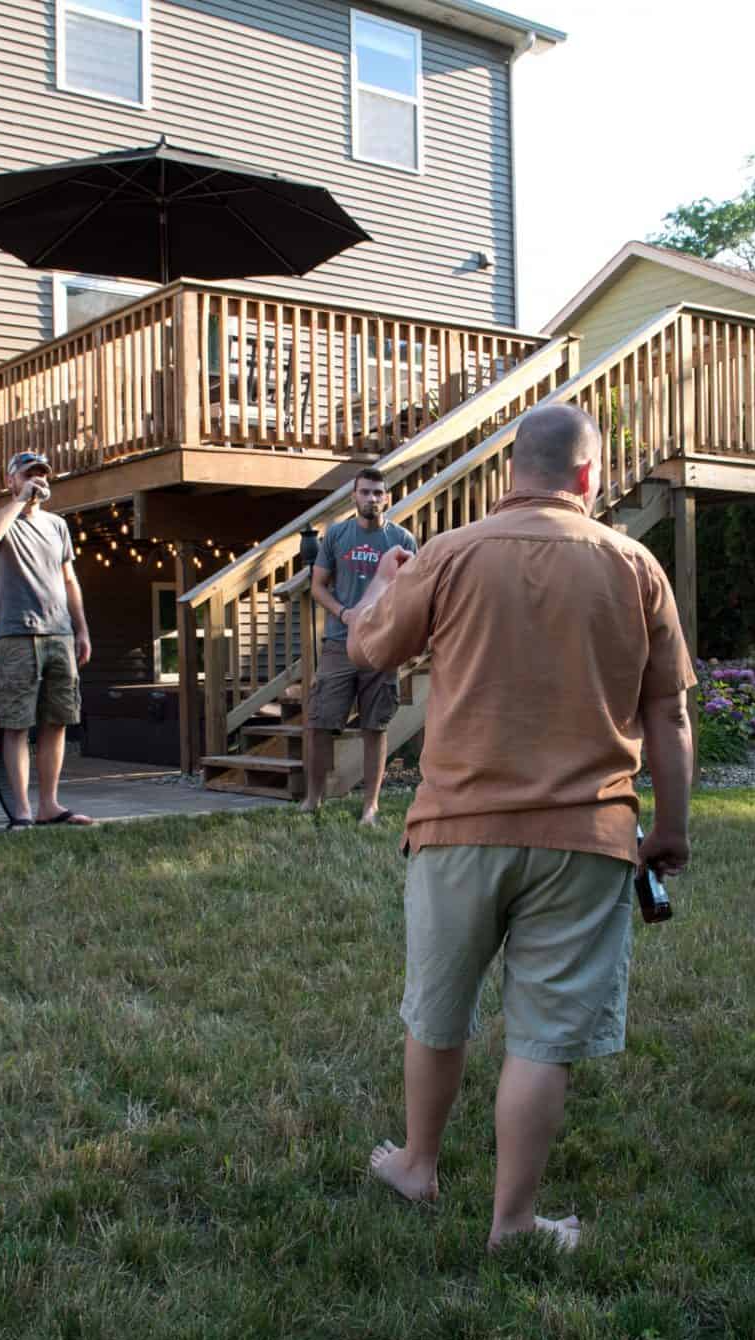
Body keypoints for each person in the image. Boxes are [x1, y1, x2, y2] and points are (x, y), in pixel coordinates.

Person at [346, 404, 695, 1252]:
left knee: (437, 1013)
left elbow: (368, 650)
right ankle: (513, 1222)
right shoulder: (635, 564)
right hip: (588, 835)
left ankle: (418, 1164)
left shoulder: (450, 553)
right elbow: (670, 714)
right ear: (588, 475)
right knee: (542, 1039)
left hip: (457, 829)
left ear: (513, 472)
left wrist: (383, 583)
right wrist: (672, 829)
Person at [0, 452, 94, 829]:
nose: (38, 480)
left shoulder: (58, 525)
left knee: (57, 721)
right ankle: (22, 811)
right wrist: (20, 500)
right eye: (29, 474)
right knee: (16, 723)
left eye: (42, 475)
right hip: (18, 636)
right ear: (10, 480)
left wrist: (82, 629)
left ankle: (49, 806)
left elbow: (70, 580)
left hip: (60, 635)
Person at [299, 467, 418, 825]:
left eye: (377, 493)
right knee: (320, 721)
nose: (371, 498)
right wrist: (344, 612)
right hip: (339, 643)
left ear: (387, 498)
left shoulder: (402, 540)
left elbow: (412, 590)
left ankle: (371, 807)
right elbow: (318, 586)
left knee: (375, 726)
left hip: (381, 645)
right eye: (365, 492)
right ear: (354, 497)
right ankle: (313, 799)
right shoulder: (337, 535)